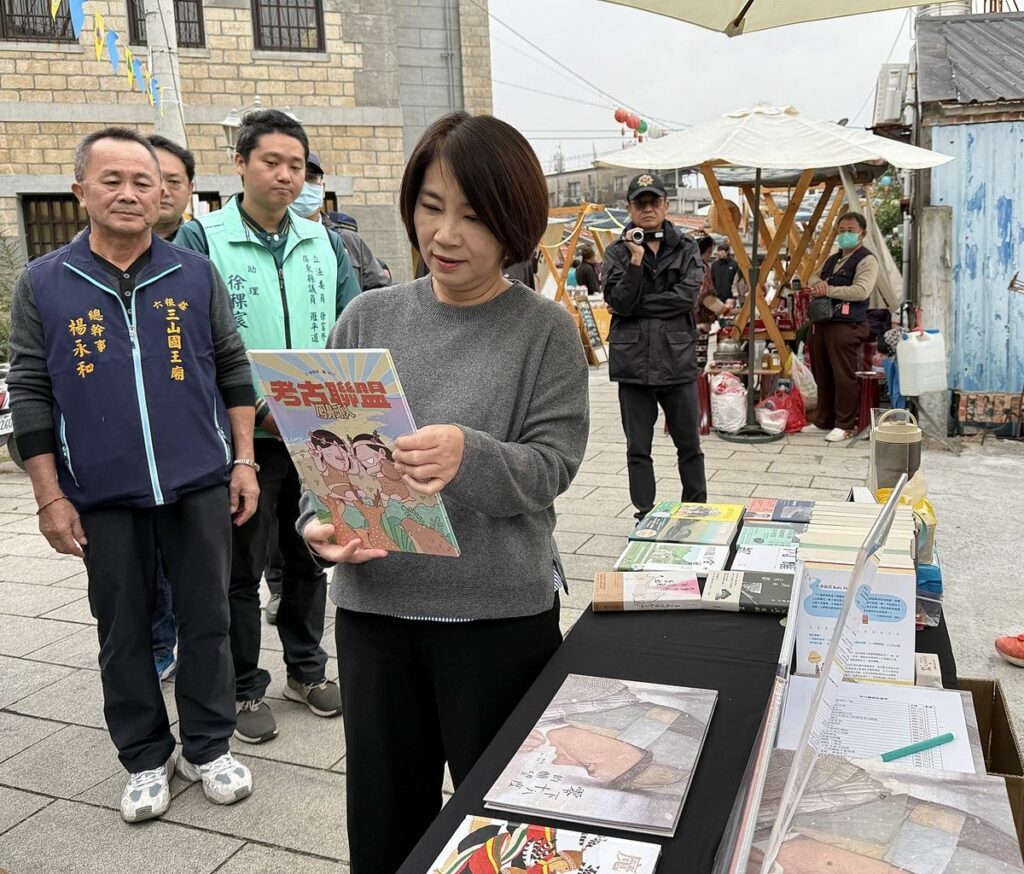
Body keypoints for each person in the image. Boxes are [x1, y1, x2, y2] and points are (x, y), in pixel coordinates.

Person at [299, 110, 590, 874]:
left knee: (504, 827)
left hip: (496, 621)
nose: (446, 234)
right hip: (376, 617)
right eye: (431, 207)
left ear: (514, 224)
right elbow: (323, 456)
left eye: (474, 215)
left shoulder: (545, 332)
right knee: (384, 823)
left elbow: (553, 465)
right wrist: (319, 525)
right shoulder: (368, 316)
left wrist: (471, 455)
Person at [6, 127, 257, 822]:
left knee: (207, 618)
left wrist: (243, 459)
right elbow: (30, 389)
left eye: (144, 181)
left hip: (199, 479)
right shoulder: (45, 283)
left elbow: (232, 367)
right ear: (80, 190)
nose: (129, 193)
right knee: (122, 628)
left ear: (164, 193)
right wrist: (49, 496)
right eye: (111, 179)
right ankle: (145, 755)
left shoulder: (194, 273)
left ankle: (208, 746)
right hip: (101, 490)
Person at [175, 110, 361, 743]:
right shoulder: (202, 239)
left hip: (316, 429)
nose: (286, 176)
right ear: (240, 164)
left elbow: (350, 325)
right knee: (241, 568)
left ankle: (307, 670)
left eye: (296, 166)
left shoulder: (324, 241)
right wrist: (255, 407)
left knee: (311, 553)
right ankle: (244, 684)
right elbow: (188, 340)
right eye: (271, 162)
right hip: (243, 438)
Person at [602, 173, 707, 520]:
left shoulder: (687, 247)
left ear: (666, 205)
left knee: (689, 445)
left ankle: (695, 510)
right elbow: (618, 299)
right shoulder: (617, 251)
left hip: (677, 360)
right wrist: (635, 262)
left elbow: (686, 298)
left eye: (654, 202)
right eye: (640, 203)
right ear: (629, 208)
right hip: (633, 364)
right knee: (638, 448)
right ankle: (644, 514)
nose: (647, 209)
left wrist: (636, 306)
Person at [148, 133, 198, 679]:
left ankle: (194, 646)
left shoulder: (198, 262)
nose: (159, 190)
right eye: (151, 178)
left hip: (195, 444)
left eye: (172, 180)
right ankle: (159, 643)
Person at [802, 212, 878, 443]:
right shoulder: (832, 259)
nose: (845, 235)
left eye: (850, 231)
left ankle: (845, 424)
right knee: (822, 373)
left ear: (862, 234)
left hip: (846, 325)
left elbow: (861, 291)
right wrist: (818, 284)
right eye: (841, 230)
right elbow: (812, 278)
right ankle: (823, 419)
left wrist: (828, 290)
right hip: (822, 323)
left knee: (843, 375)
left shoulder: (867, 260)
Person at [293, 151, 391, 292]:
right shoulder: (275, 241)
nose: (304, 186)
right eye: (298, 177)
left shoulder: (349, 241)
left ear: (323, 189)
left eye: (311, 178)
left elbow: (379, 291)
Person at [694, 235, 731, 333]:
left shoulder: (694, 264)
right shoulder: (702, 267)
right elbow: (705, 296)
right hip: (699, 319)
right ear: (709, 250)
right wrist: (725, 309)